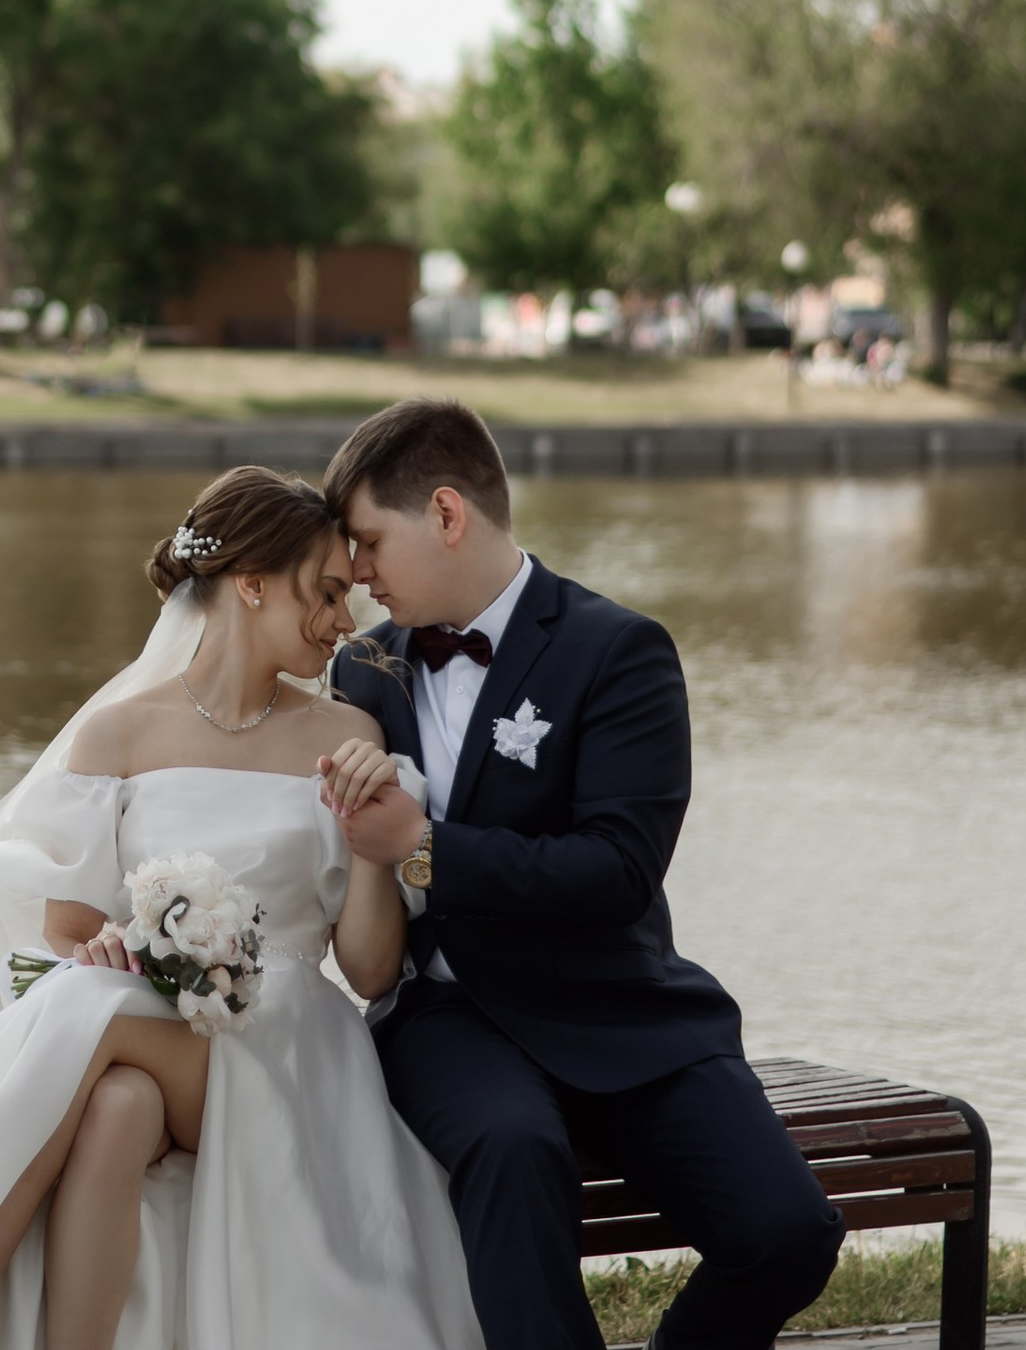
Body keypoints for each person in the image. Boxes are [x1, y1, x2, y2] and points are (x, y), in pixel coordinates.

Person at [0, 466, 482, 1350]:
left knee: (90, 1019)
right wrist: (102, 944)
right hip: (152, 1026)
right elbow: (66, 927)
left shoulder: (347, 740)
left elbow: (367, 968)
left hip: (286, 1047)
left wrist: (374, 835)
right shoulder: (119, 733)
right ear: (250, 581)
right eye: (326, 593)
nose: (346, 620)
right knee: (119, 1107)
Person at [322, 397, 842, 1350]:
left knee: (790, 1234)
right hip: (452, 1020)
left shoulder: (619, 652)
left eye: (366, 543)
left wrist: (423, 847)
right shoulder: (361, 672)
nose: (355, 576)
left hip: (623, 1012)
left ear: (446, 514)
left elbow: (617, 871)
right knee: (517, 1156)